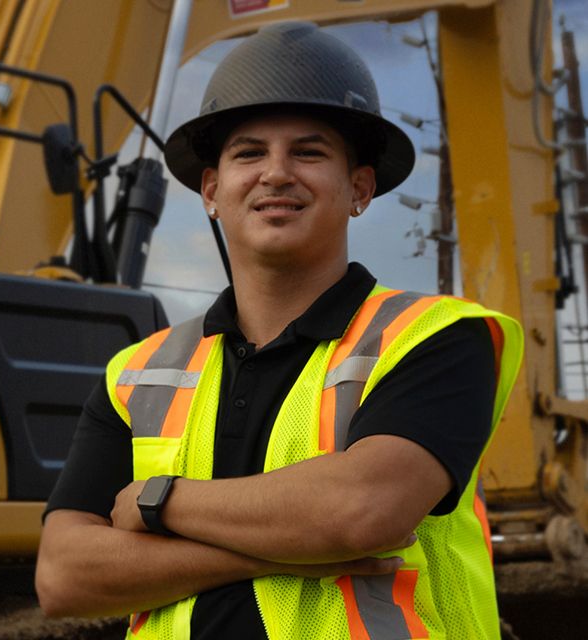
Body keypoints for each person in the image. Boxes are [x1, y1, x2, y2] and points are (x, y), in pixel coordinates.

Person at [35, 21, 522, 640]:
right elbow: (63, 577)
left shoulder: (435, 338)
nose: (276, 173)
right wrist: (273, 554)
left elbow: (361, 512)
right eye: (249, 153)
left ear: (359, 188)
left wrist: (157, 499)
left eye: (308, 152)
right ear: (212, 191)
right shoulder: (137, 374)